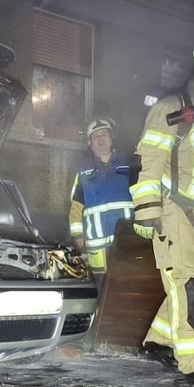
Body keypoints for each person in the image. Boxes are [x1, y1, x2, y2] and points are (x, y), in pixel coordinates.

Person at [129, 41, 194, 387]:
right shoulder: (171, 107)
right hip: (178, 210)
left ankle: (158, 341)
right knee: (191, 287)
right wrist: (148, 210)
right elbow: (150, 159)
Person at [68, 116, 135, 345]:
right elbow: (76, 207)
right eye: (95, 137)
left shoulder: (129, 165)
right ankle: (95, 337)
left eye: (104, 135)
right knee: (100, 291)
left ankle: (123, 336)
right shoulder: (83, 172)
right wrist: (77, 235)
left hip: (127, 243)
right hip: (96, 246)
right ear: (89, 143)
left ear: (111, 138)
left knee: (127, 290)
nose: (100, 140)